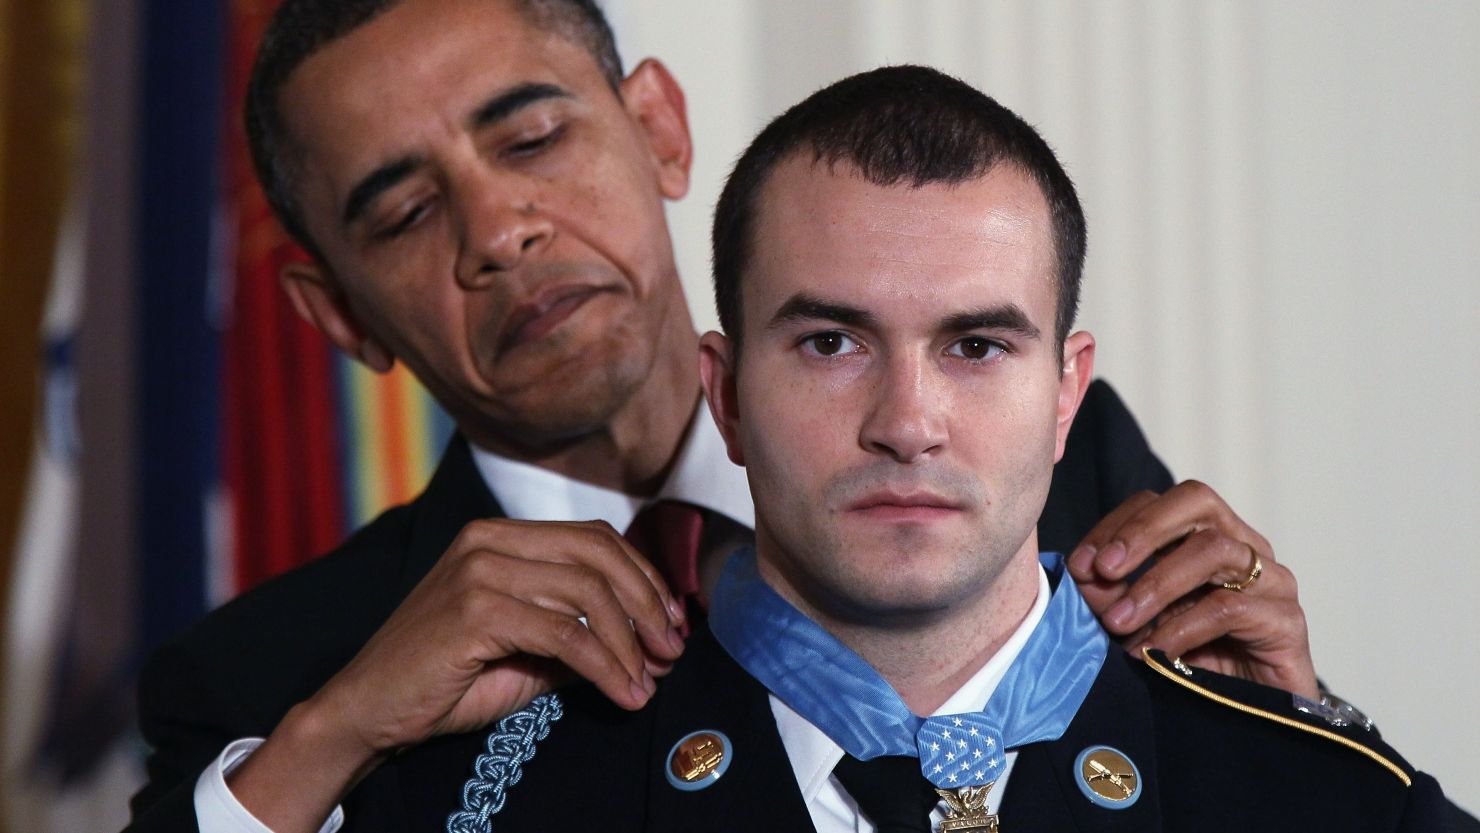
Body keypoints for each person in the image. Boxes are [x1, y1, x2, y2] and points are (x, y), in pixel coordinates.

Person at [123, 2, 1339, 831]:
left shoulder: (1057, 469)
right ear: (337, 313)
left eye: (534, 137)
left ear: (658, 126)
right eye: (401, 213)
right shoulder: (273, 675)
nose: (500, 234)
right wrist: (334, 734)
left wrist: (1303, 721)